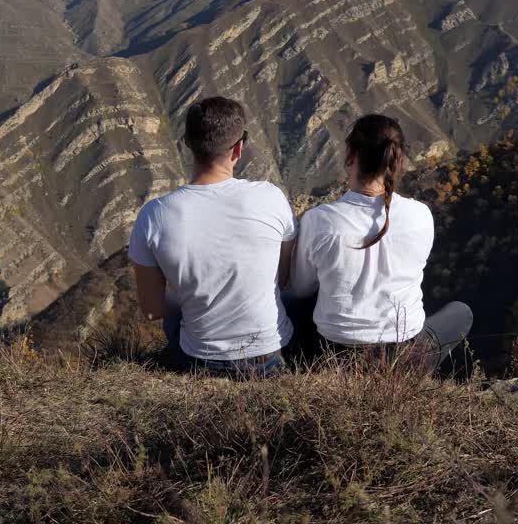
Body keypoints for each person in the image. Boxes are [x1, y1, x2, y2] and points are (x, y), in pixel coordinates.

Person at [128, 96, 296, 377]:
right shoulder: (271, 197)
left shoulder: (153, 215)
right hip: (269, 356)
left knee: (178, 318)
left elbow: (151, 310)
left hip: (200, 361)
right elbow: (284, 277)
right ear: (239, 148)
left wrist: (193, 292)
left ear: (187, 145)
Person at [287, 114, 471, 367]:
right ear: (398, 160)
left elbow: (299, 289)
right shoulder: (421, 215)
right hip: (405, 358)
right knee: (461, 313)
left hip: (333, 356)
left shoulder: (319, 221)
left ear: (350, 157)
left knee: (289, 302)